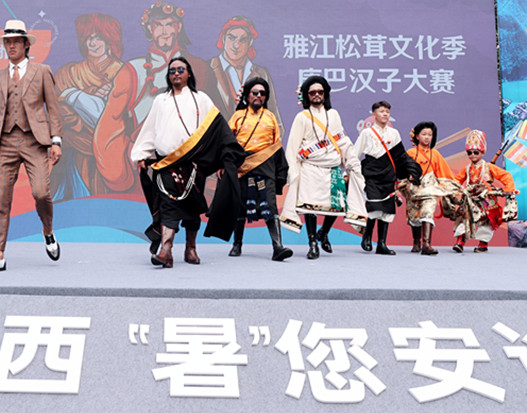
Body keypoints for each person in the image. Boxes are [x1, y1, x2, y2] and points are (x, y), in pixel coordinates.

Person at [94, 1, 219, 195]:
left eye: (169, 24)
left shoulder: (199, 67)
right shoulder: (132, 70)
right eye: (158, 25)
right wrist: (129, 157)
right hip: (150, 162)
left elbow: (214, 120)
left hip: (190, 161)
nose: (164, 31)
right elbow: (110, 124)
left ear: (178, 27)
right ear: (150, 29)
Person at [132, 56, 244, 268]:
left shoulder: (201, 98)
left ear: (189, 73)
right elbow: (150, 129)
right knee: (168, 205)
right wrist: (141, 155)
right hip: (166, 164)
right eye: (172, 70)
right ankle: (166, 250)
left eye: (180, 69)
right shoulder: (161, 100)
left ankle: (190, 248)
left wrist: (224, 160)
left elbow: (218, 130)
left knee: (192, 208)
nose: (176, 73)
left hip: (194, 165)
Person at [0, 20, 63, 274]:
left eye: (15, 41)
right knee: (1, 200)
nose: (11, 46)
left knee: (41, 193)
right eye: (7, 42)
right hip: (5, 143)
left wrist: (56, 140)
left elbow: (53, 109)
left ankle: (48, 230)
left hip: (35, 141)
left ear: (26, 44)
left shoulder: (42, 71)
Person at [280, 76, 367, 260]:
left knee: (337, 206)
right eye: (312, 92)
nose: (317, 95)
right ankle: (312, 243)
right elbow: (293, 146)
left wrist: (351, 162)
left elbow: (342, 140)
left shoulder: (333, 115)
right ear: (306, 95)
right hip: (310, 167)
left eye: (320, 91)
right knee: (309, 207)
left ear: (325, 94)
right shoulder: (302, 117)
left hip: (332, 166)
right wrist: (293, 172)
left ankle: (324, 233)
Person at [53, 13, 124, 199]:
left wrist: (77, 98)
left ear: (109, 40)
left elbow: (125, 114)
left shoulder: (124, 73)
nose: (92, 43)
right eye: (88, 38)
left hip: (111, 153)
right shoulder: (69, 72)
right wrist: (80, 115)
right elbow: (56, 109)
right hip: (76, 150)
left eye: (98, 37)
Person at [226, 76, 291, 261]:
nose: (259, 96)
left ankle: (277, 247)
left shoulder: (270, 117)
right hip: (243, 167)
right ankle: (237, 244)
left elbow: (276, 146)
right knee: (240, 207)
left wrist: (280, 172)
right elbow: (228, 142)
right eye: (255, 92)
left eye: (263, 93)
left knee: (270, 205)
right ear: (247, 95)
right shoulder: (237, 116)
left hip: (265, 167)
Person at [354, 101, 422, 256]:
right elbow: (355, 154)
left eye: (387, 111)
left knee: (387, 210)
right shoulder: (367, 133)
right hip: (372, 174)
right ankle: (367, 236)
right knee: (373, 206)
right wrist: (349, 173)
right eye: (381, 111)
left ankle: (382, 244)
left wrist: (410, 171)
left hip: (388, 176)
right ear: (374, 114)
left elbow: (401, 157)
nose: (385, 114)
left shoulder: (394, 133)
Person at [208, 16, 284, 134]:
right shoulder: (207, 69)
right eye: (231, 38)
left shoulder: (261, 73)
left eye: (243, 40)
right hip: (219, 142)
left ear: (250, 42)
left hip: (255, 141)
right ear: (223, 39)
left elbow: (274, 117)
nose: (236, 45)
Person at [451, 129, 516, 253]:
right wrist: (453, 189)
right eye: (469, 153)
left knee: (486, 222)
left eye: (476, 152)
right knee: (466, 218)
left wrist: (508, 189)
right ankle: (460, 242)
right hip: (471, 199)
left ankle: (483, 245)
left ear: (482, 152)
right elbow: (457, 180)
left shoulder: (488, 167)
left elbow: (505, 176)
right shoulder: (467, 169)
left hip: (487, 199)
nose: (473, 155)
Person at [399, 121, 457, 255]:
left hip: (430, 188)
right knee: (414, 216)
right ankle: (416, 242)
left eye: (430, 135)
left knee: (428, 212)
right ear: (417, 136)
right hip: (414, 189)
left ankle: (426, 244)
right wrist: (409, 177)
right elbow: (402, 171)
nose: (427, 137)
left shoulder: (435, 154)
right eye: (424, 134)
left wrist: (452, 188)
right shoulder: (410, 153)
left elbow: (444, 173)